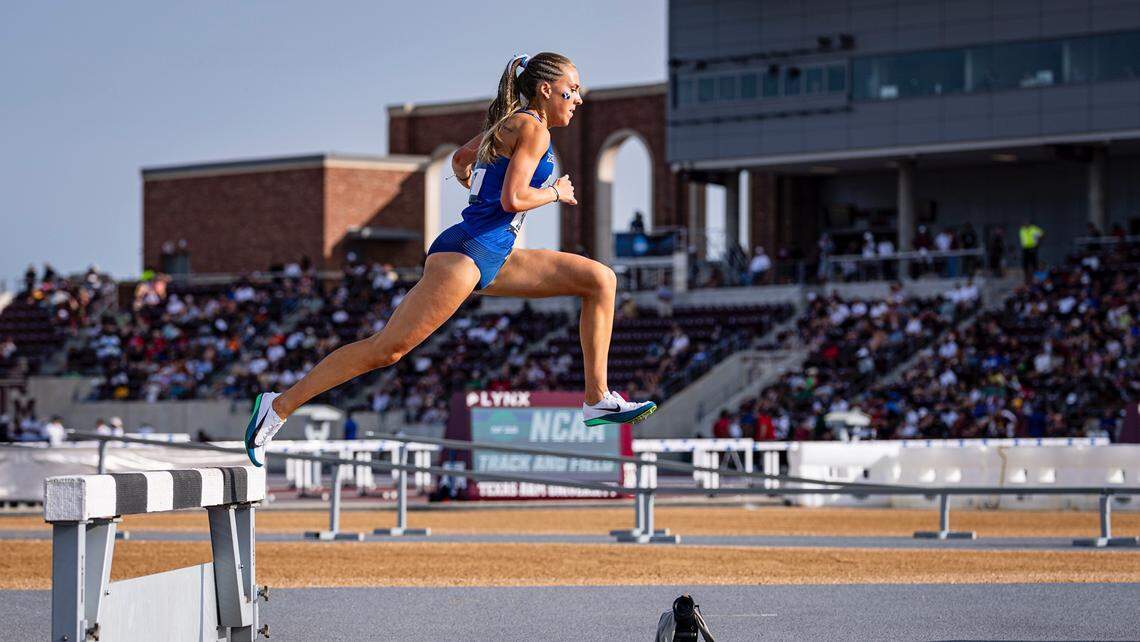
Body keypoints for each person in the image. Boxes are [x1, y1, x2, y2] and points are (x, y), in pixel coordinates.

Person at [243, 52, 656, 466]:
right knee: (386, 350)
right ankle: (277, 406)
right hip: (467, 253)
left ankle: (597, 399)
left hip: (494, 250)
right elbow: (514, 199)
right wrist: (555, 192)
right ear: (546, 89)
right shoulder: (533, 128)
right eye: (573, 88)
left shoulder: (510, 125)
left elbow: (460, 160)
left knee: (600, 280)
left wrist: (480, 194)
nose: (578, 98)